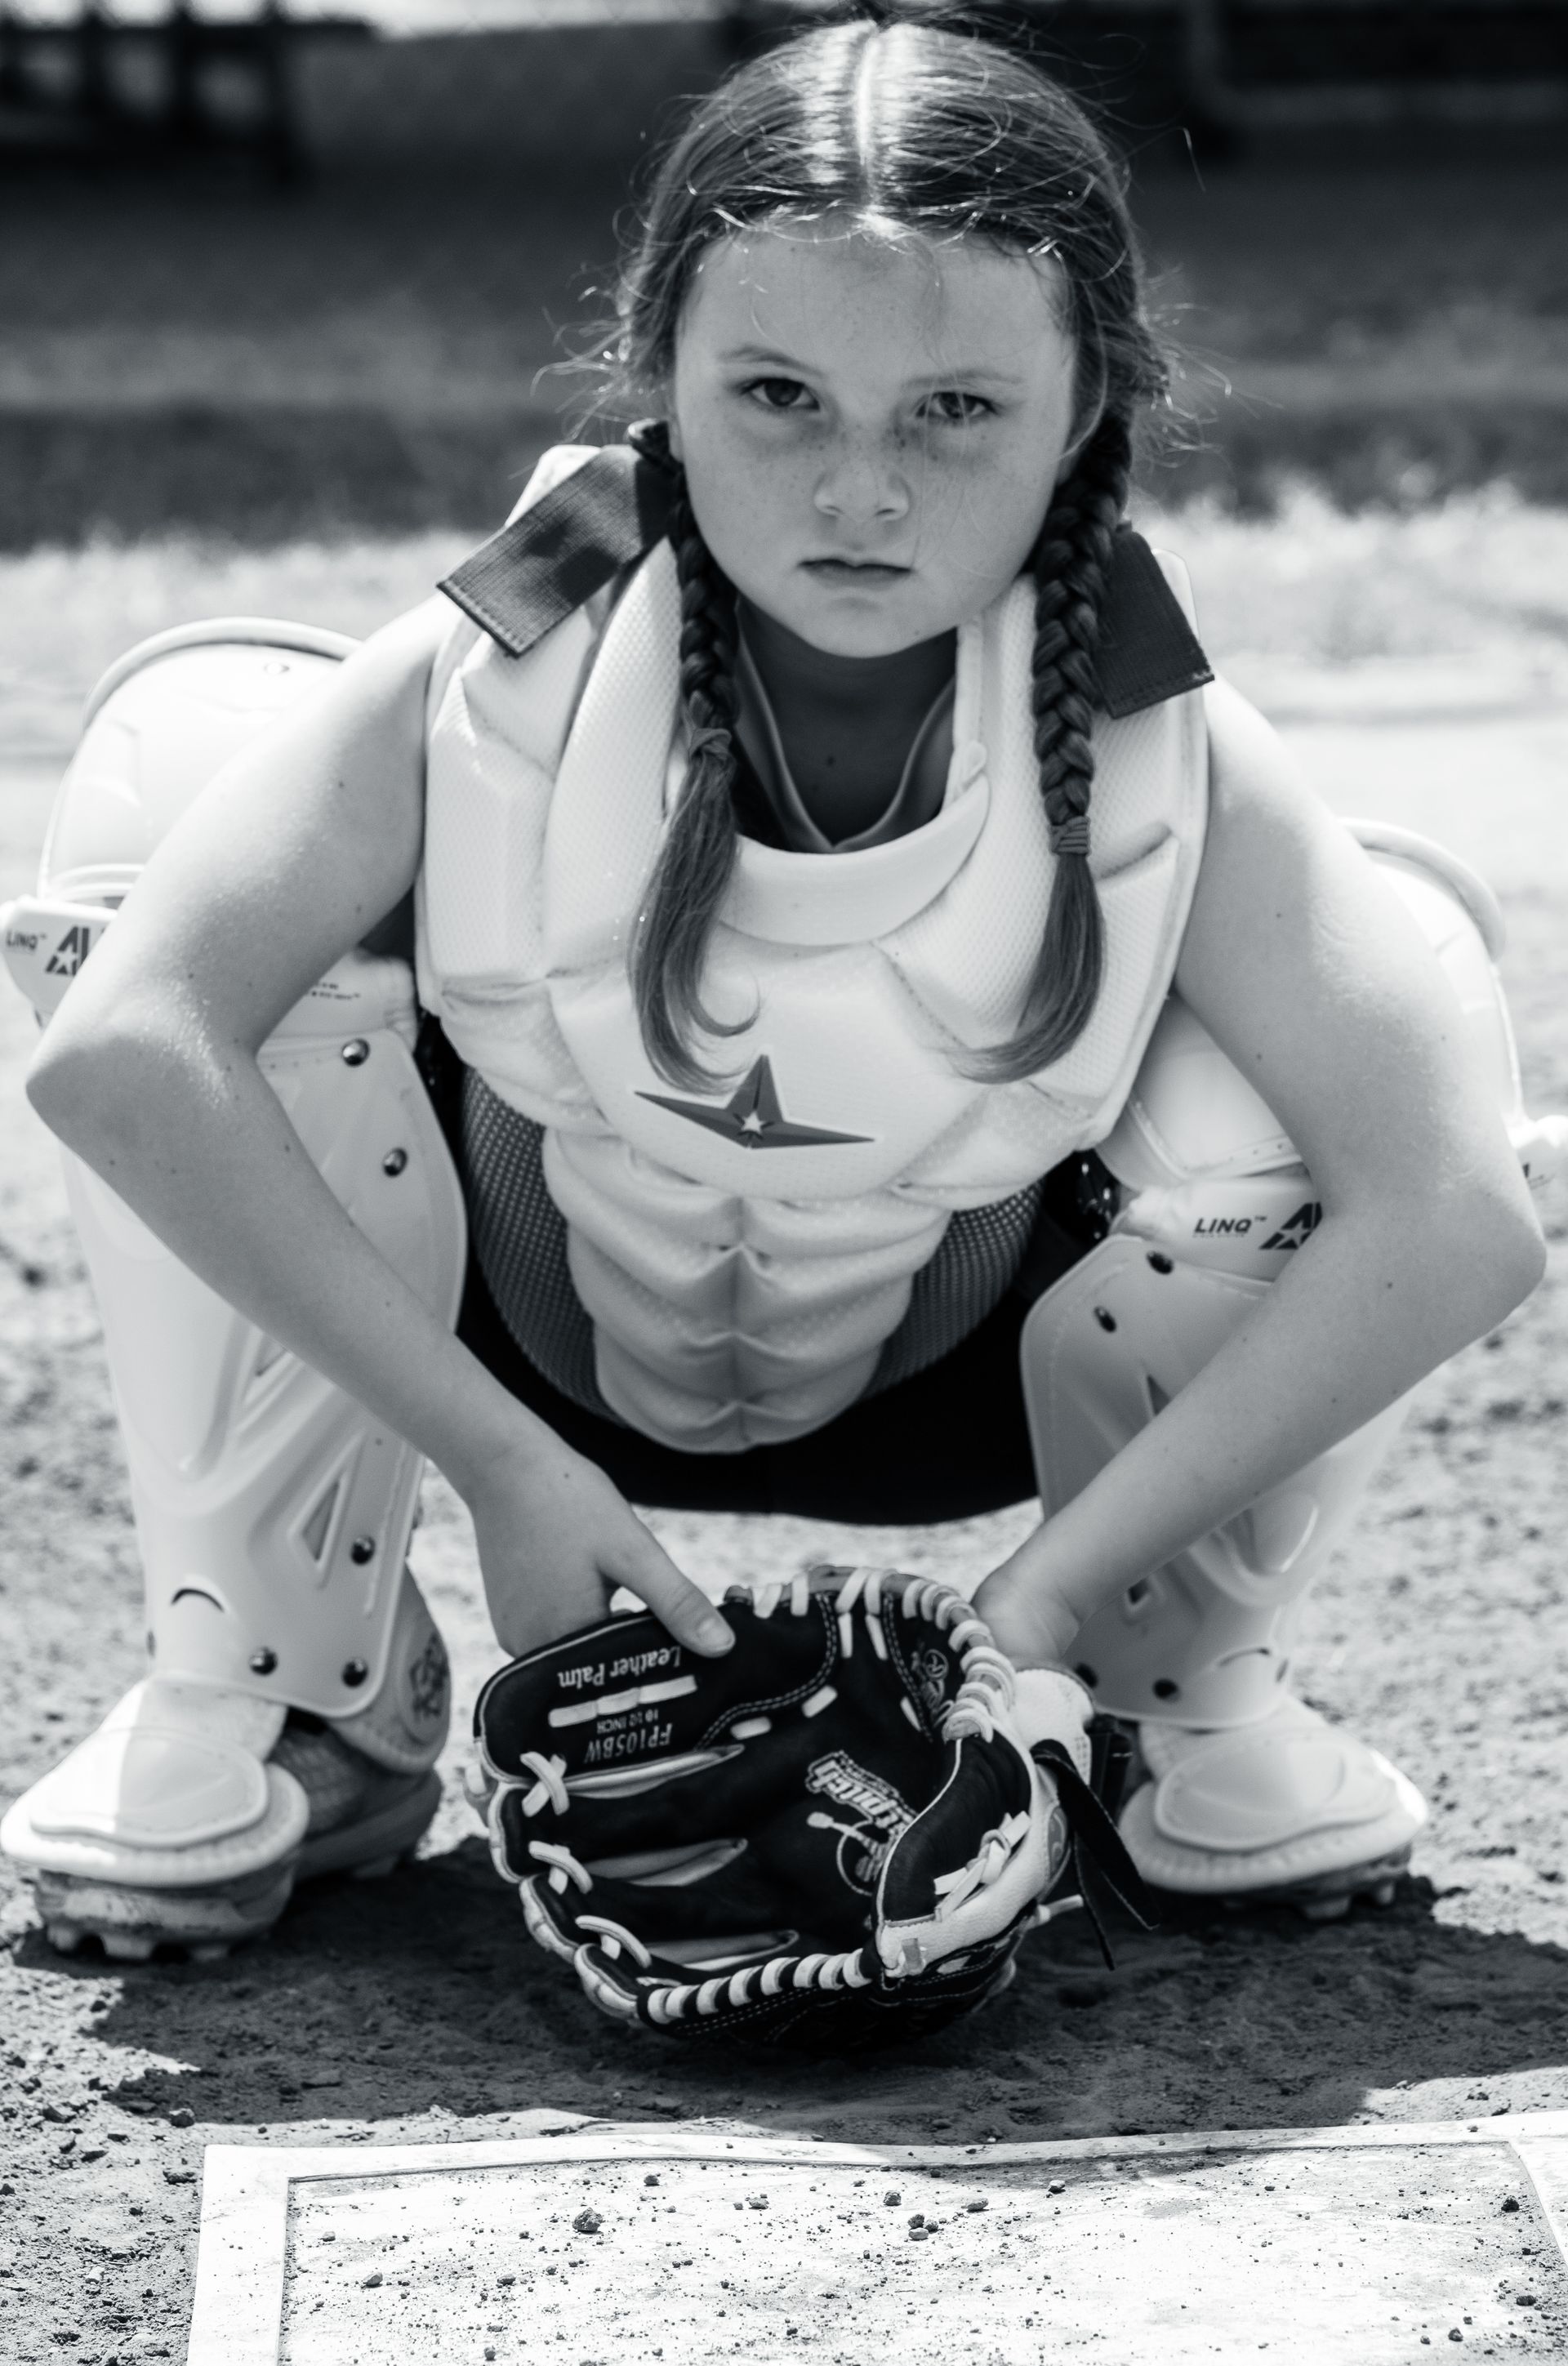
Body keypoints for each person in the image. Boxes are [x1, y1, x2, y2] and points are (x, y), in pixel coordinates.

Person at [1, 11, 1546, 1963]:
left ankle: (1171, 1704)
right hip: (515, 1355)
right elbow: (129, 1047)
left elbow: (1455, 1214)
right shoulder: (518, 648)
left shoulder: (1158, 736)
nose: (861, 490)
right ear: (661, 374)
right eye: (780, 397)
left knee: (1390, 976)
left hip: (954, 1391)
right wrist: (501, 1466)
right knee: (185, 764)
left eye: (954, 409)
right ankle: (293, 1684)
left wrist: (1041, 1602)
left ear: (1086, 403)